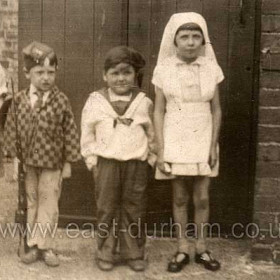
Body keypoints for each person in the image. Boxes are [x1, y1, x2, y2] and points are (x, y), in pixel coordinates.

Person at [152, 13, 224, 272]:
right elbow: (159, 111)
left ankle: (202, 247)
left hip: (203, 134)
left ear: (204, 40)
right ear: (175, 40)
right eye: (184, 36)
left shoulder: (211, 69)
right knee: (181, 196)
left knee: (202, 197)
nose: (191, 42)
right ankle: (183, 247)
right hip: (175, 135)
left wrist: (213, 145)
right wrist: (161, 149)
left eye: (196, 36)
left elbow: (216, 109)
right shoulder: (163, 69)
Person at [3, 41, 80, 267]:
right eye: (39, 72)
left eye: (50, 72)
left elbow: (70, 132)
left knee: (48, 202)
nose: (46, 78)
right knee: (31, 202)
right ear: (27, 73)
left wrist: (68, 162)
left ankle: (45, 246)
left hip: (52, 163)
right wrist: (15, 159)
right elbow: (11, 130)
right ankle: (31, 244)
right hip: (28, 163)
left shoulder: (61, 100)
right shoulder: (18, 100)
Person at [81, 46, 156, 272]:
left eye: (126, 72)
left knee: (134, 207)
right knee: (107, 208)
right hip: (106, 164)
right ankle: (106, 251)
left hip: (136, 164)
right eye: (115, 73)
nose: (121, 78)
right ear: (105, 76)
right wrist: (91, 160)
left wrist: (151, 157)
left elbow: (153, 133)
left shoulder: (143, 102)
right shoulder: (95, 100)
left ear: (135, 75)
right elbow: (87, 132)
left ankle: (133, 252)